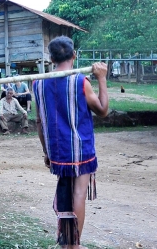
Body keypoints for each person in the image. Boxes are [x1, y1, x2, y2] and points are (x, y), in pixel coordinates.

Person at [33, 37, 109, 248]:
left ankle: (68, 242)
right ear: (74, 55)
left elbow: (40, 122)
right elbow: (103, 111)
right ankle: (73, 245)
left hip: (57, 150)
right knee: (77, 194)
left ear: (51, 58)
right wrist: (101, 78)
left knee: (66, 193)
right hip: (81, 151)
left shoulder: (38, 83)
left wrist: (46, 152)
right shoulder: (80, 82)